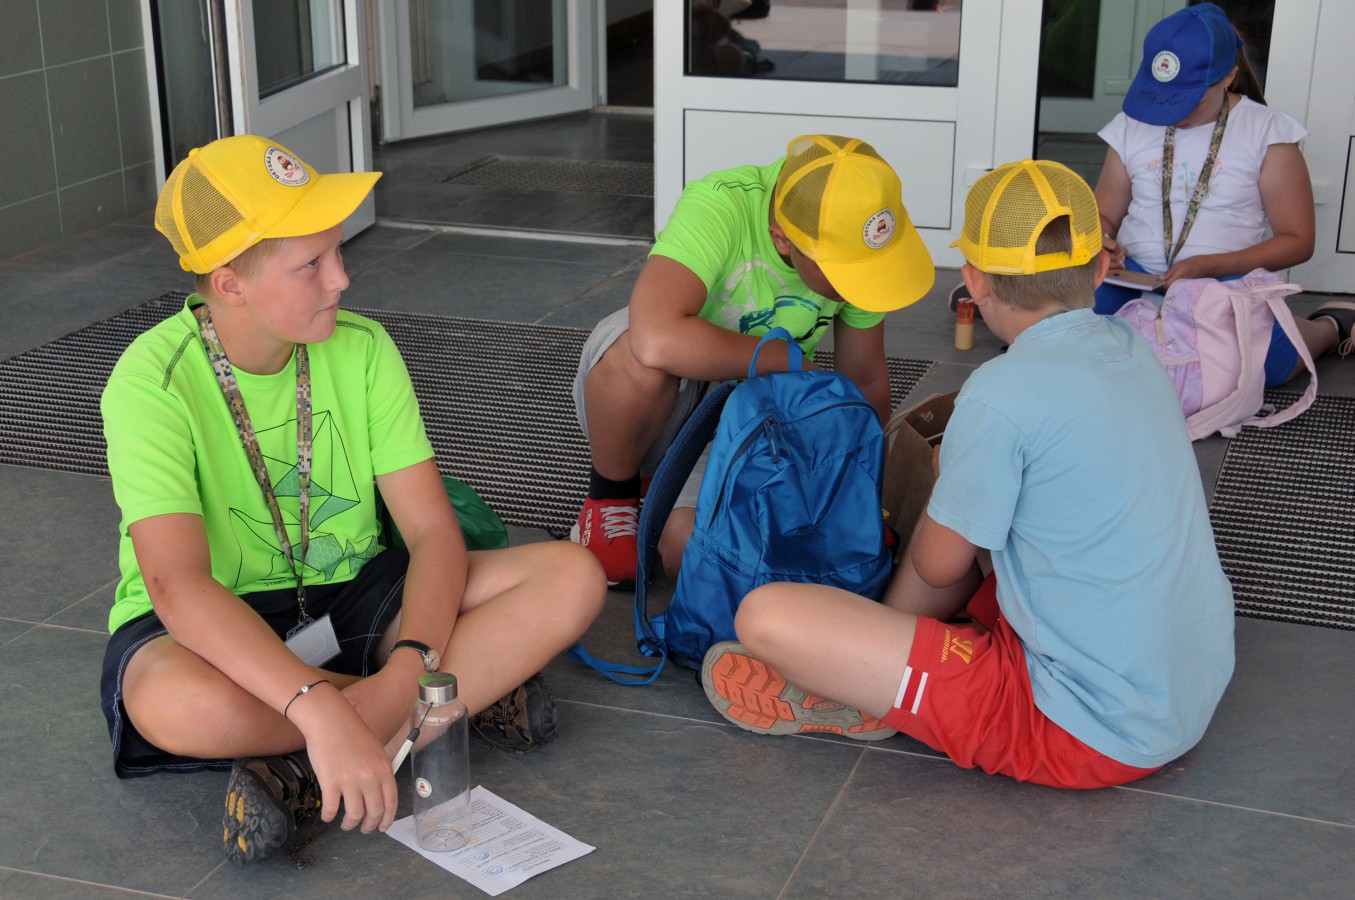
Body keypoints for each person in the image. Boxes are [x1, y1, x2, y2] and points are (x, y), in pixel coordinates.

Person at [98, 135, 606, 864]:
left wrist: (407, 667)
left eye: (337, 252)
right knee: (168, 702)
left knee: (571, 573)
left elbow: (431, 533)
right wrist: (320, 703)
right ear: (230, 283)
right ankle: (439, 706)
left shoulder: (363, 348)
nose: (340, 278)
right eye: (311, 264)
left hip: (353, 595)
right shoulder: (151, 381)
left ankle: (322, 754)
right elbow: (178, 585)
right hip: (214, 624)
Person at [700, 159, 1236, 790]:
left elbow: (938, 567)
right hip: (1188, 684)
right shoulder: (1133, 348)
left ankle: (875, 686)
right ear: (1100, 268)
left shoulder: (1000, 391)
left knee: (766, 618)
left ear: (974, 281)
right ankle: (894, 659)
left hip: (1082, 727)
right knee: (987, 521)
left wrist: (946, 477)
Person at [571, 134, 936, 587]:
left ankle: (669, 493)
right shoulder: (721, 203)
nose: (860, 286)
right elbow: (655, 338)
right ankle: (612, 497)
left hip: (751, 414)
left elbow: (864, 382)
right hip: (669, 393)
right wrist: (781, 358)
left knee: (690, 551)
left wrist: (859, 495)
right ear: (783, 241)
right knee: (636, 356)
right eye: (845, 272)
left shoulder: (855, 244)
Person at [1094, 2, 1354, 384]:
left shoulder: (1266, 133)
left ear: (1229, 77)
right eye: (1161, 98)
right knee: (1069, 327)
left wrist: (1213, 265)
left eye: (1189, 101)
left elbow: (1298, 241)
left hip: (1224, 277)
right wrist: (1100, 238)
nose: (1172, 113)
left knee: (1266, 366)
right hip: (1133, 274)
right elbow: (1105, 215)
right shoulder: (1130, 126)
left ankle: (1331, 325)